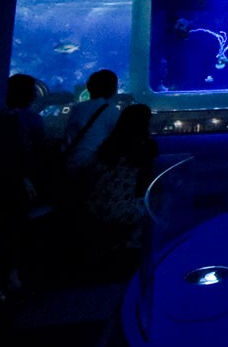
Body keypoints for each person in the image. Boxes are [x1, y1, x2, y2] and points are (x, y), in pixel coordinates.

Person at [0, 73, 47, 302]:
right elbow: (38, 151)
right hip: (18, 184)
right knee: (13, 230)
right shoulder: (32, 119)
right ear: (31, 95)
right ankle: (10, 277)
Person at [79, 103, 158, 273]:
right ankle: (138, 252)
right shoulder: (147, 147)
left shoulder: (108, 144)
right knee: (158, 204)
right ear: (145, 123)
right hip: (124, 209)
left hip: (95, 204)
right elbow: (146, 183)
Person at [59, 68, 120, 190]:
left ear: (89, 87)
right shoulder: (112, 110)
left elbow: (69, 135)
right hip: (94, 165)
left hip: (72, 161)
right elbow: (116, 138)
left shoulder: (78, 108)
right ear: (113, 89)